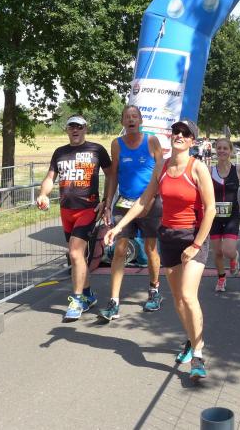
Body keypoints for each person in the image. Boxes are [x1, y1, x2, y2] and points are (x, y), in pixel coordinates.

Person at [104, 119, 216, 381]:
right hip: (169, 237)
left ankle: (198, 354)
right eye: (176, 132)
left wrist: (196, 245)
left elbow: (210, 209)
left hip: (193, 237)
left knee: (188, 295)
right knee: (177, 299)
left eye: (185, 133)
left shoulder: (197, 167)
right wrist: (117, 227)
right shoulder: (162, 167)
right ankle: (191, 339)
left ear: (192, 140)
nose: (179, 135)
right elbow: (143, 201)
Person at [36, 115, 112, 321]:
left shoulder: (96, 150)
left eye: (79, 126)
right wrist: (43, 194)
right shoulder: (60, 152)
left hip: (88, 209)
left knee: (75, 252)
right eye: (72, 127)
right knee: (78, 256)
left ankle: (77, 300)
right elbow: (50, 178)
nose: (75, 130)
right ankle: (88, 295)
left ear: (86, 128)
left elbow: (111, 175)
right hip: (66, 211)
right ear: (67, 130)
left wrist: (106, 201)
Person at [98, 105, 164, 321]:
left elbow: (161, 172)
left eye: (135, 116)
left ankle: (154, 290)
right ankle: (114, 301)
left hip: (150, 202)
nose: (131, 119)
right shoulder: (116, 144)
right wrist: (108, 203)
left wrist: (153, 197)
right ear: (122, 122)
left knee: (150, 248)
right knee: (119, 250)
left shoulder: (152, 141)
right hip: (124, 202)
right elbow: (113, 175)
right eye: (127, 117)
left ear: (141, 120)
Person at [210, 138, 240, 292]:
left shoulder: (238, 170)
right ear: (216, 150)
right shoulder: (209, 171)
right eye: (219, 148)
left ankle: (234, 257)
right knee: (217, 252)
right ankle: (221, 278)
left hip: (232, 216)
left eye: (225, 148)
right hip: (214, 216)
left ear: (230, 151)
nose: (222, 151)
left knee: (227, 251)